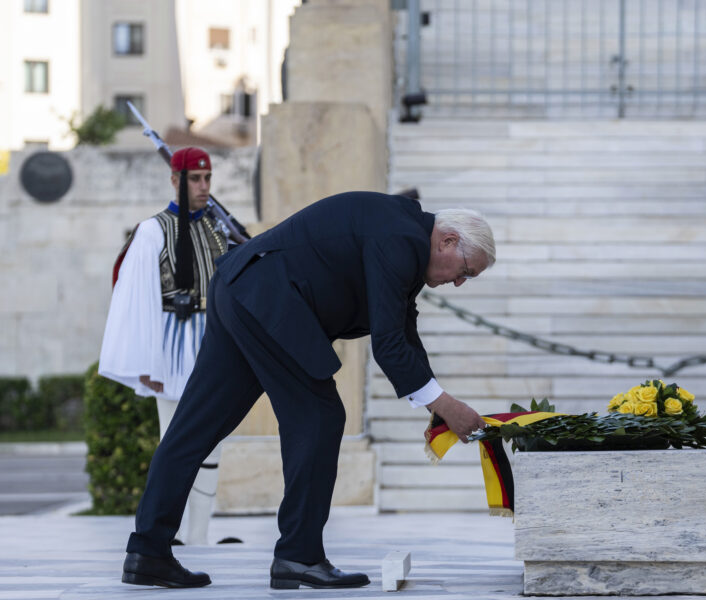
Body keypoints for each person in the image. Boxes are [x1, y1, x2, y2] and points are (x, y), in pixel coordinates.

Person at [120, 191, 495, 590]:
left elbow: (402, 327)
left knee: (195, 427)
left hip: (241, 289)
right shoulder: (401, 238)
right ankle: (298, 555)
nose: (458, 282)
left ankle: (148, 551)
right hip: (268, 300)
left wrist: (437, 407)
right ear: (449, 241)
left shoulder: (404, 234)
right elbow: (388, 344)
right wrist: (445, 404)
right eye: (466, 271)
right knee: (319, 416)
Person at [100, 147, 235, 547]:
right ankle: (164, 535)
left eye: (207, 178)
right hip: (173, 346)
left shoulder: (216, 228)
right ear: (175, 181)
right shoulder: (153, 230)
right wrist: (147, 362)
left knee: (213, 444)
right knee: (175, 442)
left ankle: (199, 536)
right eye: (195, 179)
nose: (204, 187)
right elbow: (135, 298)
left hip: (214, 343)